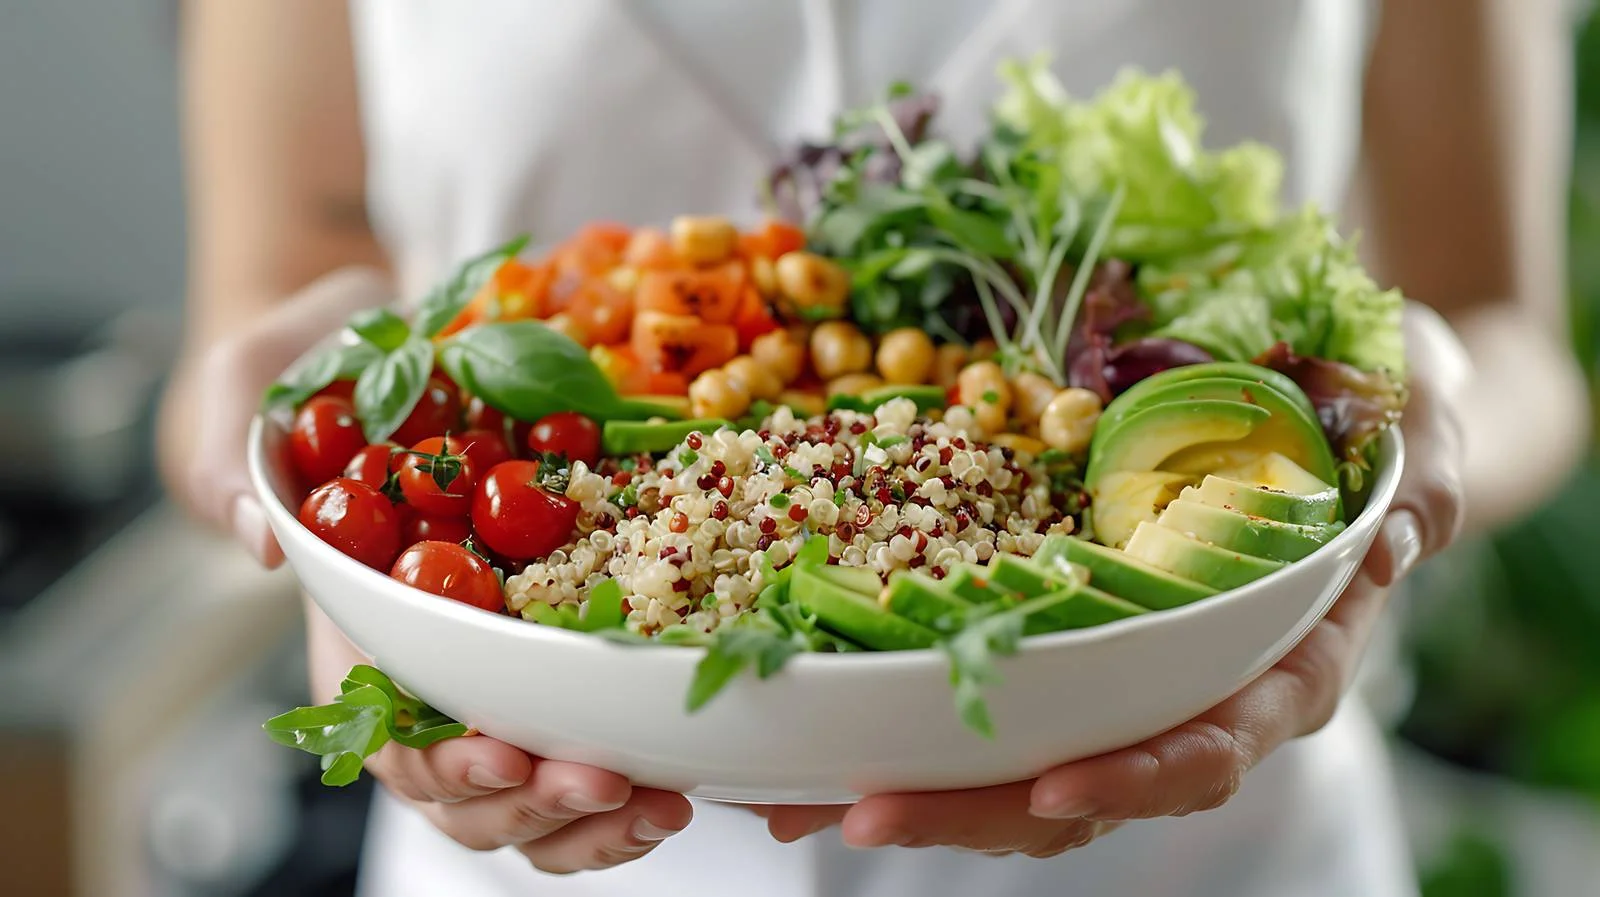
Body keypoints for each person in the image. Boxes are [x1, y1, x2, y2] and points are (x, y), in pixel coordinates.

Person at [160, 0, 1592, 894]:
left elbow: (1510, 335)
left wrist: (1426, 409)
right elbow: (276, 302)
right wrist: (297, 495)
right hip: (544, 817)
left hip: (1209, 849)